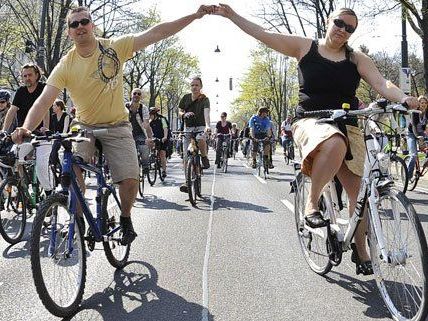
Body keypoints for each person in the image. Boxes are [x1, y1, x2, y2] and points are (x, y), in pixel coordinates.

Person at [213, 5, 419, 275]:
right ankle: (312, 203)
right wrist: (232, 15)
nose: (343, 30)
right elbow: (263, 34)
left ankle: (361, 248)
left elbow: (383, 83)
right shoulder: (305, 48)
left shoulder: (356, 59)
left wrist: (405, 98)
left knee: (360, 195)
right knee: (333, 141)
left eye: (350, 28)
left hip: (347, 123)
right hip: (312, 120)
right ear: (329, 22)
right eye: (339, 23)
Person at [12, 5, 215, 245]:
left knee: (129, 178)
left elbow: (157, 33)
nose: (79, 27)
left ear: (92, 24)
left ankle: (126, 218)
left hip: (117, 125)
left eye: (84, 21)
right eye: (73, 24)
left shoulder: (114, 48)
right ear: (68, 32)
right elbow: (44, 100)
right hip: (84, 126)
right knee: (71, 164)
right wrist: (25, 128)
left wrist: (194, 15)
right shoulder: (66, 64)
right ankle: (78, 221)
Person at [178, 76, 211, 193]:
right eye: (192, 85)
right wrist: (183, 115)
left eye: (196, 85)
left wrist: (207, 126)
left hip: (201, 126)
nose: (194, 87)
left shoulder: (204, 99)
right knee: (187, 157)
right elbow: (180, 111)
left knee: (201, 138)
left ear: (201, 87)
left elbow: (206, 113)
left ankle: (204, 156)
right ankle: (187, 182)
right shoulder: (185, 98)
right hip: (188, 128)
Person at [125, 88, 153, 171]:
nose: (136, 95)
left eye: (139, 94)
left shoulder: (143, 108)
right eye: (134, 93)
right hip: (128, 134)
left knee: (144, 150)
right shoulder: (125, 107)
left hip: (140, 133)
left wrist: (149, 138)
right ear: (131, 95)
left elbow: (146, 124)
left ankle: (145, 165)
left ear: (141, 97)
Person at [407, 95, 428, 180]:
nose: (423, 104)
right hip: (412, 133)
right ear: (418, 103)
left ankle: (424, 163)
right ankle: (408, 176)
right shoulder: (414, 112)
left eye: (425, 103)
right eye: (421, 102)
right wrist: (418, 137)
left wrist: (422, 135)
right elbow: (414, 126)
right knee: (414, 155)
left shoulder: (427, 112)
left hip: (421, 133)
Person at [149, 106, 170, 178]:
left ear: (154, 114)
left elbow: (165, 128)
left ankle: (164, 170)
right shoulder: (150, 122)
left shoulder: (162, 119)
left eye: (150, 115)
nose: (149, 116)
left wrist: (165, 137)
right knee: (151, 144)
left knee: (162, 154)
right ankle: (153, 158)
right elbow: (148, 130)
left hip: (163, 138)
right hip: (155, 138)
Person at [49, 99, 70, 170]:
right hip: (56, 137)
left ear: (59, 107)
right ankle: (57, 167)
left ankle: (64, 167)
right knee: (53, 153)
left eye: (54, 105)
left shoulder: (66, 116)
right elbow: (52, 128)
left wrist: (62, 135)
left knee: (66, 152)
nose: (52, 107)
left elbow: (65, 129)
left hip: (65, 137)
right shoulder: (53, 116)